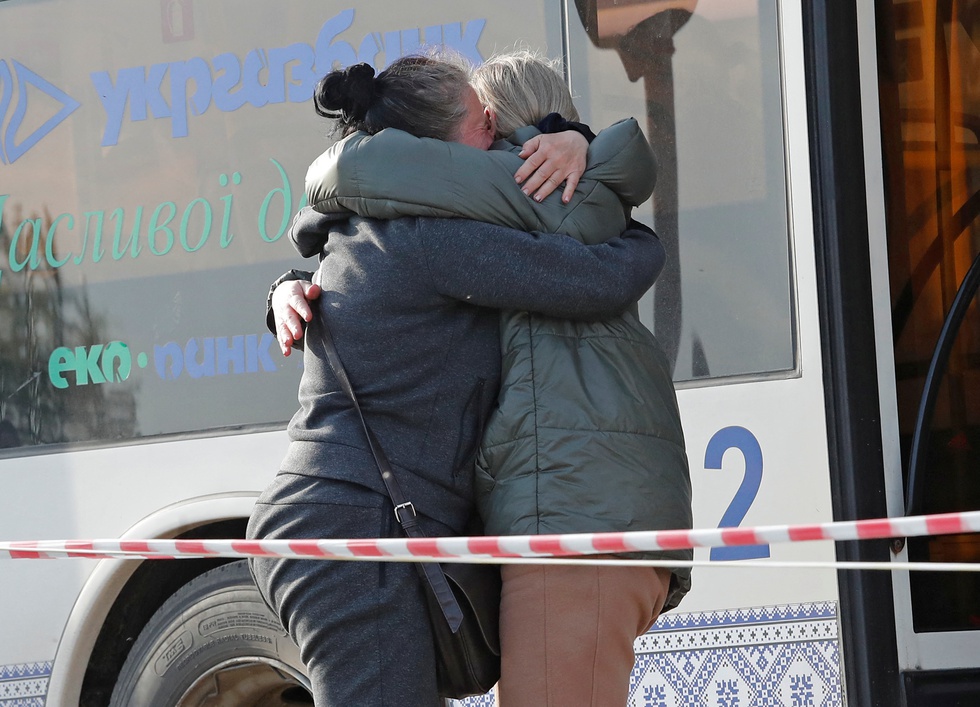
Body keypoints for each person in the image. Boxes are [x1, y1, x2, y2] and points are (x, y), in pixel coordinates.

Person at [267, 51, 693, 706]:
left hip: (355, 526)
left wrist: (573, 145)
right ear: (436, 155)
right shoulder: (429, 238)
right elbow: (594, 274)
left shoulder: (396, 227)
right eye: (481, 122)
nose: (495, 133)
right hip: (349, 531)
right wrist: (643, 239)